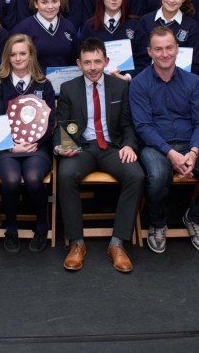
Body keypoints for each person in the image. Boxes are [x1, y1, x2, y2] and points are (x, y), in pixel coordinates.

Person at [129, 27, 199, 254]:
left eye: (169, 48)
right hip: (156, 145)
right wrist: (170, 154)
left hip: (190, 142)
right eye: (158, 49)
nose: (164, 54)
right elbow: (143, 126)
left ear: (177, 50)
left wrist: (193, 152)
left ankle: (195, 218)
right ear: (149, 52)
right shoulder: (138, 83)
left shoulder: (194, 82)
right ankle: (158, 224)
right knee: (157, 176)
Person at [55, 38, 143, 273]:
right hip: (82, 147)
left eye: (97, 61)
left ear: (106, 61)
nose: (93, 67)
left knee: (136, 175)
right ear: (78, 63)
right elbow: (63, 126)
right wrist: (63, 146)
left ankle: (117, 243)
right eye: (87, 62)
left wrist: (129, 146)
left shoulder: (120, 86)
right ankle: (76, 243)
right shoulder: (68, 88)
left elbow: (128, 125)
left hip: (112, 147)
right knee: (65, 175)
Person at [0, 34, 55, 252]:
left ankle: (42, 225)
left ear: (31, 55)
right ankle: (11, 228)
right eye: (13, 54)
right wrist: (10, 144)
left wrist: (35, 142)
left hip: (37, 147)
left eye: (22, 54)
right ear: (6, 57)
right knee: (11, 179)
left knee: (34, 178)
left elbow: (51, 121)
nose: (18, 59)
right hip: (7, 147)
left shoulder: (43, 84)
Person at [79, 0, 145, 78]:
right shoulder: (90, 26)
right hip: (97, 84)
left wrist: (128, 77)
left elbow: (143, 60)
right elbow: (82, 58)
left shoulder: (135, 26)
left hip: (127, 87)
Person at [140, 0, 199, 77]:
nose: (172, 0)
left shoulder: (192, 26)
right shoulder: (145, 22)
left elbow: (196, 65)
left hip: (182, 85)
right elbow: (141, 59)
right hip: (150, 83)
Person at [10, 0, 79, 70]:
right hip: (34, 82)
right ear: (36, 4)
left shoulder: (69, 27)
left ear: (60, 2)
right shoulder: (22, 29)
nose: (50, 7)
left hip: (64, 82)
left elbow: (75, 59)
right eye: (44, 2)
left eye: (54, 1)